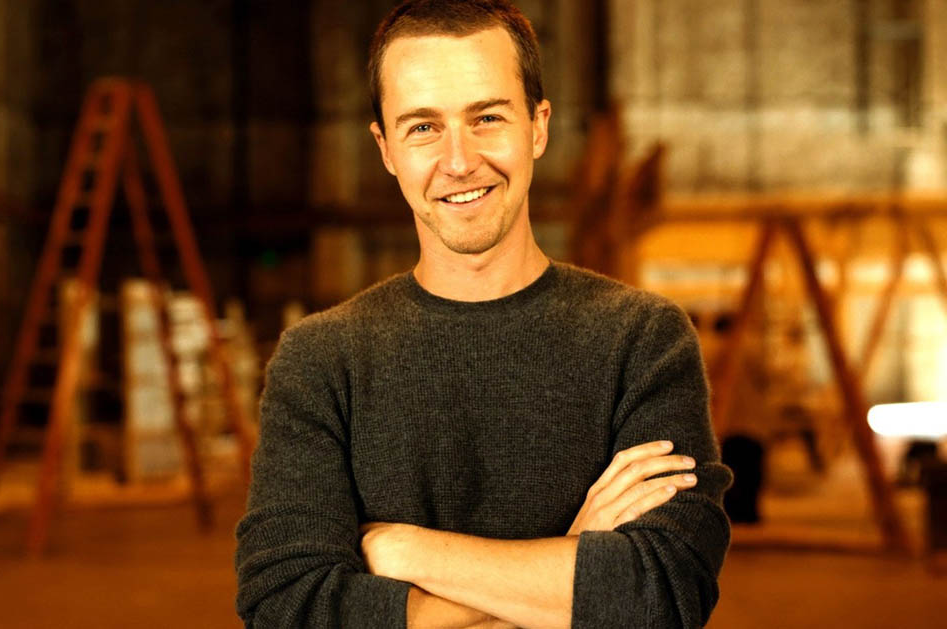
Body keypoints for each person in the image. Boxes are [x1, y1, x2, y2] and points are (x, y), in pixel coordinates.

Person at [234, 1, 732, 627]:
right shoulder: (321, 361)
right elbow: (286, 606)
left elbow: (664, 594)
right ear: (385, 148)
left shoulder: (643, 341)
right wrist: (570, 559)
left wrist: (404, 550)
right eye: (423, 127)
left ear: (538, 127)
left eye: (487, 118)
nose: (459, 160)